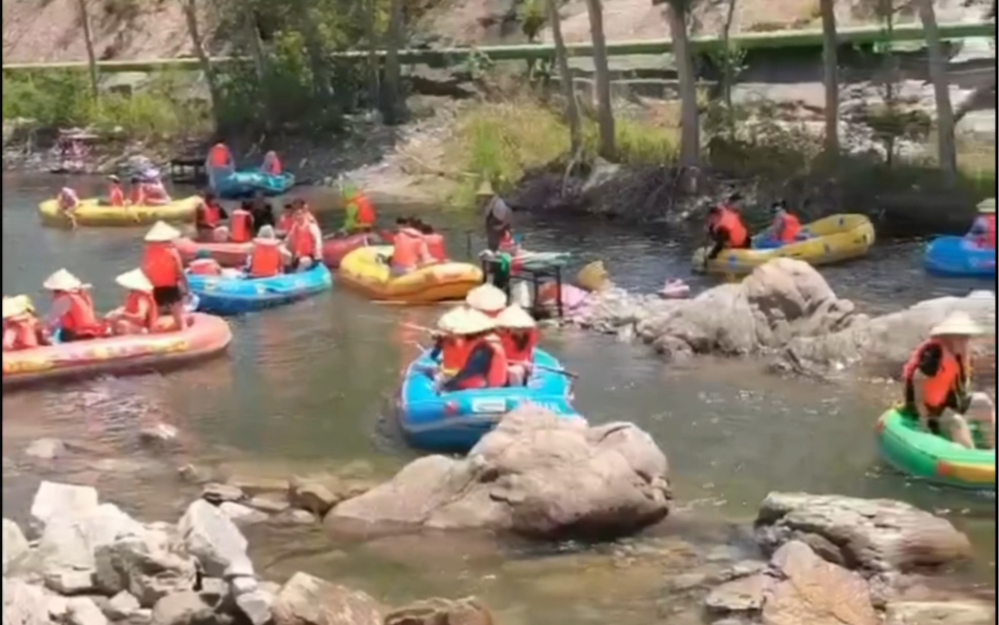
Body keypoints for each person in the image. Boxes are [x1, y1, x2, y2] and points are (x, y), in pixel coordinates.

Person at [902, 311, 995, 450]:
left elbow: (960, 386)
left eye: (966, 337)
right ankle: (971, 458)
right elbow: (918, 381)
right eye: (959, 337)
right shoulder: (934, 355)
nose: (964, 341)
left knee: (984, 401)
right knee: (956, 420)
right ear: (947, 337)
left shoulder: (959, 355)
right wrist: (924, 420)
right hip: (929, 411)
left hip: (948, 404)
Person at [439, 308, 509, 391]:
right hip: (491, 383)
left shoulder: (483, 349)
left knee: (444, 385)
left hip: (480, 384)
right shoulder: (489, 342)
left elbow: (470, 371)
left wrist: (449, 383)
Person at [141, 221, 189, 331]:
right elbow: (180, 271)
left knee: (155, 313)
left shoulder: (149, 252)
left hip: (155, 286)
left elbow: (145, 270)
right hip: (170, 285)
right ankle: (183, 331)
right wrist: (186, 286)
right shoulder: (171, 251)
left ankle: (152, 333)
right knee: (178, 313)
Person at [42, 269, 102, 342]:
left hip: (76, 334)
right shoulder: (79, 296)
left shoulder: (65, 299)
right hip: (89, 331)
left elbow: (52, 322)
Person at [106, 268, 158, 335]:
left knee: (122, 324)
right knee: (113, 320)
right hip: (132, 323)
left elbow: (141, 316)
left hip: (142, 327)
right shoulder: (133, 295)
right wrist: (117, 312)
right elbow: (129, 309)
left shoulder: (142, 297)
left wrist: (124, 315)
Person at [496, 304, 538, 386]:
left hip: (521, 366)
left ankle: (518, 392)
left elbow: (530, 353)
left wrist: (528, 364)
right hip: (505, 364)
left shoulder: (530, 335)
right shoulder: (504, 337)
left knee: (515, 371)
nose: (518, 330)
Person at [427, 307, 473, 381]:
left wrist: (438, 335)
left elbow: (434, 353)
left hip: (451, 375)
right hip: (466, 373)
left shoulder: (447, 339)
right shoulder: (472, 337)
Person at [706, 196, 751, 261]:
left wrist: (713, 255)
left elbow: (721, 242)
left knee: (723, 235)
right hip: (742, 245)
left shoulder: (724, 224)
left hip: (737, 247)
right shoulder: (729, 217)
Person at [286, 204, 323, 271]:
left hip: (310, 256)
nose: (298, 217)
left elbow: (317, 241)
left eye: (299, 214)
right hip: (299, 255)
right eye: (296, 215)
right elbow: (289, 239)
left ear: (304, 214)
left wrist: (317, 255)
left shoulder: (310, 226)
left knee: (303, 262)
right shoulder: (295, 227)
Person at [479, 181, 513, 252]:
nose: (481, 198)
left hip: (500, 242)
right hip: (495, 242)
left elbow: (502, 219)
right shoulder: (491, 204)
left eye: (483, 196)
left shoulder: (498, 204)